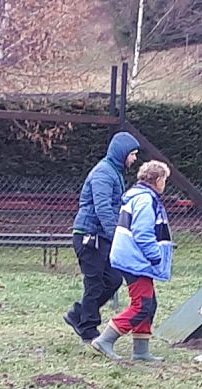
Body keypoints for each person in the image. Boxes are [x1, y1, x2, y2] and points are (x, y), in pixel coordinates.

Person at [91, 160, 174, 361]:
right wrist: (155, 256)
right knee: (142, 304)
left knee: (149, 304)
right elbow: (142, 232)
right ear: (158, 180)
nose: (165, 184)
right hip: (137, 260)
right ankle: (105, 340)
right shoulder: (146, 200)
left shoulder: (139, 196)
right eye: (165, 179)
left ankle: (141, 351)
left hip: (133, 258)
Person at [65, 132, 140, 342]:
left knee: (113, 279)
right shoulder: (103, 174)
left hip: (100, 236)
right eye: (132, 154)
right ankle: (88, 329)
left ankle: (78, 314)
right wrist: (116, 235)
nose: (134, 159)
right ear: (122, 153)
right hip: (89, 236)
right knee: (95, 282)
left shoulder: (113, 172)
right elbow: (103, 208)